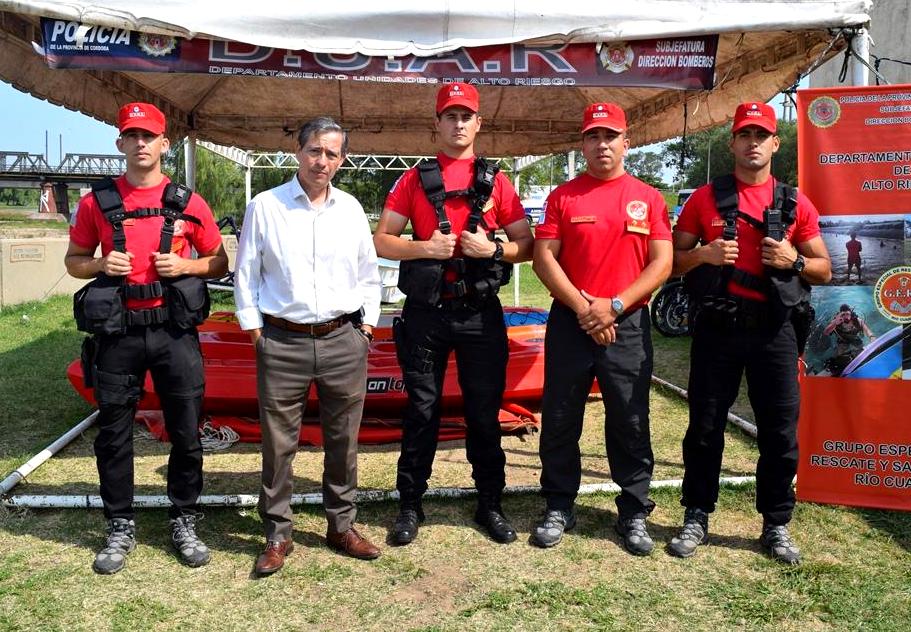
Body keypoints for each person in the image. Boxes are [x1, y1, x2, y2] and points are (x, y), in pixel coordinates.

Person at [65, 102, 227, 574]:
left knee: (186, 430)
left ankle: (184, 516)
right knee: (114, 434)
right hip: (118, 335)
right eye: (131, 135)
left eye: (148, 135)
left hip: (173, 332)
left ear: (164, 144)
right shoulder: (96, 202)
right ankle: (119, 522)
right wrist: (97, 265)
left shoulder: (188, 201)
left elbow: (219, 262)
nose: (140, 143)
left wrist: (186, 266)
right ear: (120, 143)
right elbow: (74, 260)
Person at [670, 101, 831, 564]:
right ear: (733, 143)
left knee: (779, 432)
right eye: (745, 134)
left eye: (762, 135)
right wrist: (703, 256)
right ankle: (697, 514)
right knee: (704, 428)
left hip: (774, 332)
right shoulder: (704, 199)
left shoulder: (795, 202)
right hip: (717, 330)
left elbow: (824, 269)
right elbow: (670, 264)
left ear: (775, 144)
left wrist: (793, 261)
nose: (753, 142)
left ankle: (776, 524)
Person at [373, 84, 534, 546]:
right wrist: (425, 247)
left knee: (484, 413)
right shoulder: (411, 179)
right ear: (437, 125)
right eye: (450, 116)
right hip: (427, 315)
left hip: (481, 316)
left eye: (466, 116)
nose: (458, 124)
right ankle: (409, 504)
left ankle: (490, 502)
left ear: (478, 123)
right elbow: (382, 239)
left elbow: (527, 244)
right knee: (421, 410)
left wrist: (494, 248)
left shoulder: (498, 181)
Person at [234, 117, 383, 575]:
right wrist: (256, 332)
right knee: (279, 446)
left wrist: (367, 329)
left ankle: (341, 526)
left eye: (332, 154)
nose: (323, 161)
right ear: (298, 151)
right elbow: (246, 274)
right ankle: (278, 533)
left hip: (343, 339)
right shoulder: (265, 206)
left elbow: (368, 274)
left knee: (344, 440)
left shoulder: (352, 209)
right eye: (315, 150)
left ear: (342, 160)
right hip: (282, 340)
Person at [530, 102, 672, 555]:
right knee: (559, 416)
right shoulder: (563, 196)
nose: (602, 144)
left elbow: (662, 263)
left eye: (610, 136)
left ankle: (632, 511)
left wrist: (611, 307)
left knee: (630, 418)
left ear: (626, 143)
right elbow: (543, 257)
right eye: (593, 136)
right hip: (571, 321)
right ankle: (558, 504)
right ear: (583, 144)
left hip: (625, 322)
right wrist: (584, 308)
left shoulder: (648, 197)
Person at [823, 304, 874, 375]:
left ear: (851, 313)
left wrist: (872, 337)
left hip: (854, 337)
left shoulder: (857, 320)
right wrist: (834, 323)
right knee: (841, 356)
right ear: (840, 314)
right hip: (843, 339)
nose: (846, 316)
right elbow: (826, 332)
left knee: (862, 352)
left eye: (847, 314)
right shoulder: (837, 321)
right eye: (843, 314)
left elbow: (867, 329)